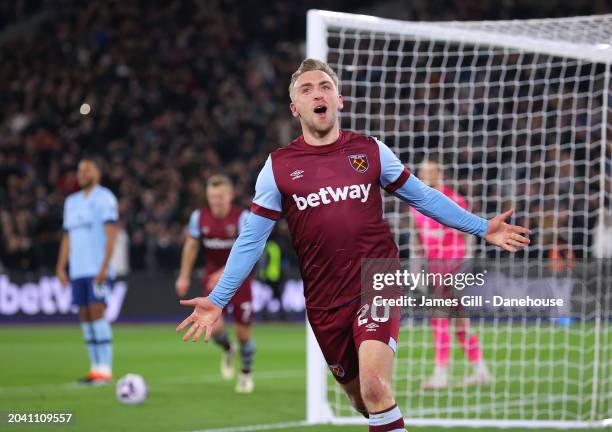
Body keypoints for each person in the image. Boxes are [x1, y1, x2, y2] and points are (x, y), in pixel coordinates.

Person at [176, 59, 530, 431]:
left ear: (339, 99)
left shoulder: (370, 150)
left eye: (325, 86)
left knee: (376, 386)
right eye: (307, 89)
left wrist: (480, 227)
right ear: (295, 108)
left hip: (376, 278)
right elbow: (252, 239)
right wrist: (218, 299)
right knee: (362, 400)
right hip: (325, 297)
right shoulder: (278, 167)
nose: (318, 93)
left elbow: (423, 197)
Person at [410, 160, 490, 390]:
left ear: (439, 173)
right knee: (459, 322)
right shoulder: (414, 204)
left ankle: (441, 374)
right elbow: (417, 240)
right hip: (434, 268)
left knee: (438, 316)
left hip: (454, 266)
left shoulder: (454, 200)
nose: (426, 176)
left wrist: (466, 264)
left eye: (430, 172)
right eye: (423, 173)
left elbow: (469, 234)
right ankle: (480, 369)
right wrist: (416, 271)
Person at [175, 174, 256, 393]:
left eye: (220, 196)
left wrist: (224, 272)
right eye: (212, 196)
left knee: (244, 334)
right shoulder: (198, 217)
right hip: (212, 281)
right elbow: (191, 247)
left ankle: (246, 373)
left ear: (230, 196)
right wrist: (184, 275)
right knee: (212, 327)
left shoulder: (243, 218)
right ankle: (228, 350)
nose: (216, 201)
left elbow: (250, 251)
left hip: (240, 281)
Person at [56, 158, 118, 384]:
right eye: (79, 170)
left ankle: (105, 369)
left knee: (97, 312)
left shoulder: (105, 198)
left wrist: (104, 266)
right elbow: (67, 237)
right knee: (84, 316)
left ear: (97, 173)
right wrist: (61, 266)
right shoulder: (71, 202)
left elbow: (112, 235)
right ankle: (94, 368)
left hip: (97, 269)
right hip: (78, 270)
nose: (81, 174)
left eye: (86, 170)